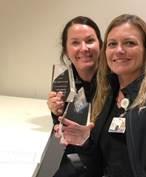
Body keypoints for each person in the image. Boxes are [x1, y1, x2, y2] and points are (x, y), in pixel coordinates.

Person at [58, 14, 146, 177]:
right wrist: (85, 144)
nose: (119, 50)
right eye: (112, 44)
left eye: (129, 43)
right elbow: (97, 165)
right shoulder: (105, 97)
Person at [47, 16, 103, 177]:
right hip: (79, 154)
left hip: (110, 157)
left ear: (100, 44)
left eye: (90, 40)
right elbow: (63, 130)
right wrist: (56, 112)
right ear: (66, 50)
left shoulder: (115, 78)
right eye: (75, 42)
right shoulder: (62, 79)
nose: (84, 48)